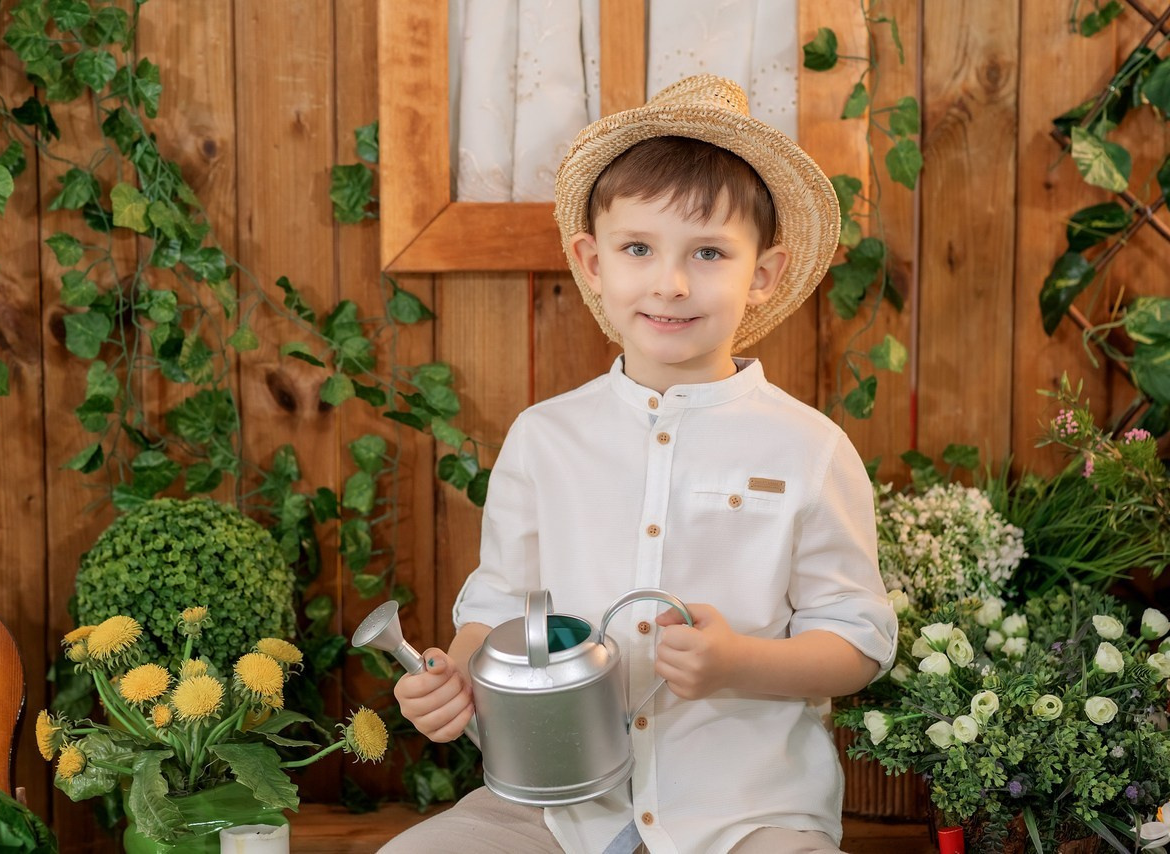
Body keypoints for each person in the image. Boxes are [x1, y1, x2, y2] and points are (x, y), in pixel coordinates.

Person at [382, 74, 898, 854]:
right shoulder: (544, 439)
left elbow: (855, 643)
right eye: (638, 248)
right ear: (593, 261)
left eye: (709, 252)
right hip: (555, 809)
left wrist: (738, 663)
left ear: (762, 274)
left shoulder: (809, 447)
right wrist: (454, 678)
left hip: (748, 816)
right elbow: (497, 607)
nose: (671, 283)